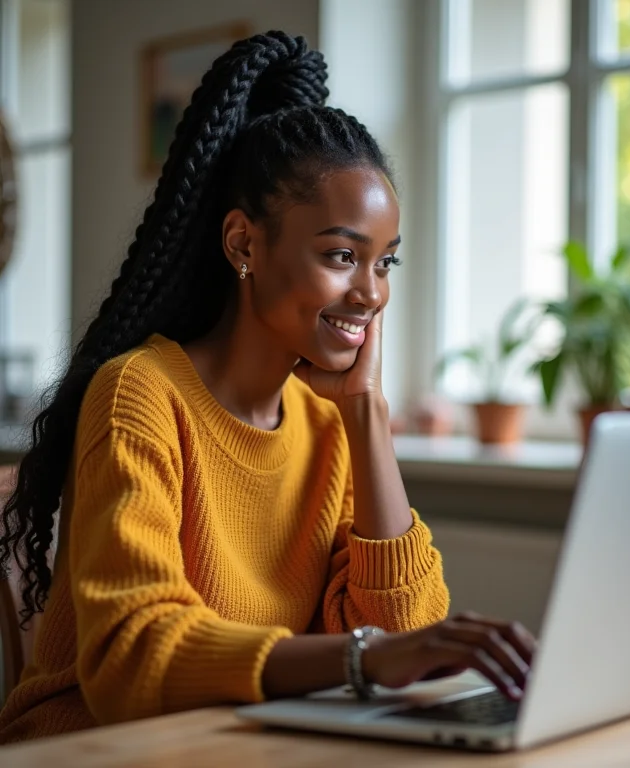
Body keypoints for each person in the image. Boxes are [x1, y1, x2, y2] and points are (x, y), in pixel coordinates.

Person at [0, 31, 535, 744]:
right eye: (342, 255)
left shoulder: (325, 420)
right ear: (244, 244)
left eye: (385, 264)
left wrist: (366, 415)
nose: (370, 293)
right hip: (91, 746)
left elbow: (406, 638)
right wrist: (365, 658)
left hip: (247, 744)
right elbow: (132, 659)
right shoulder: (139, 395)